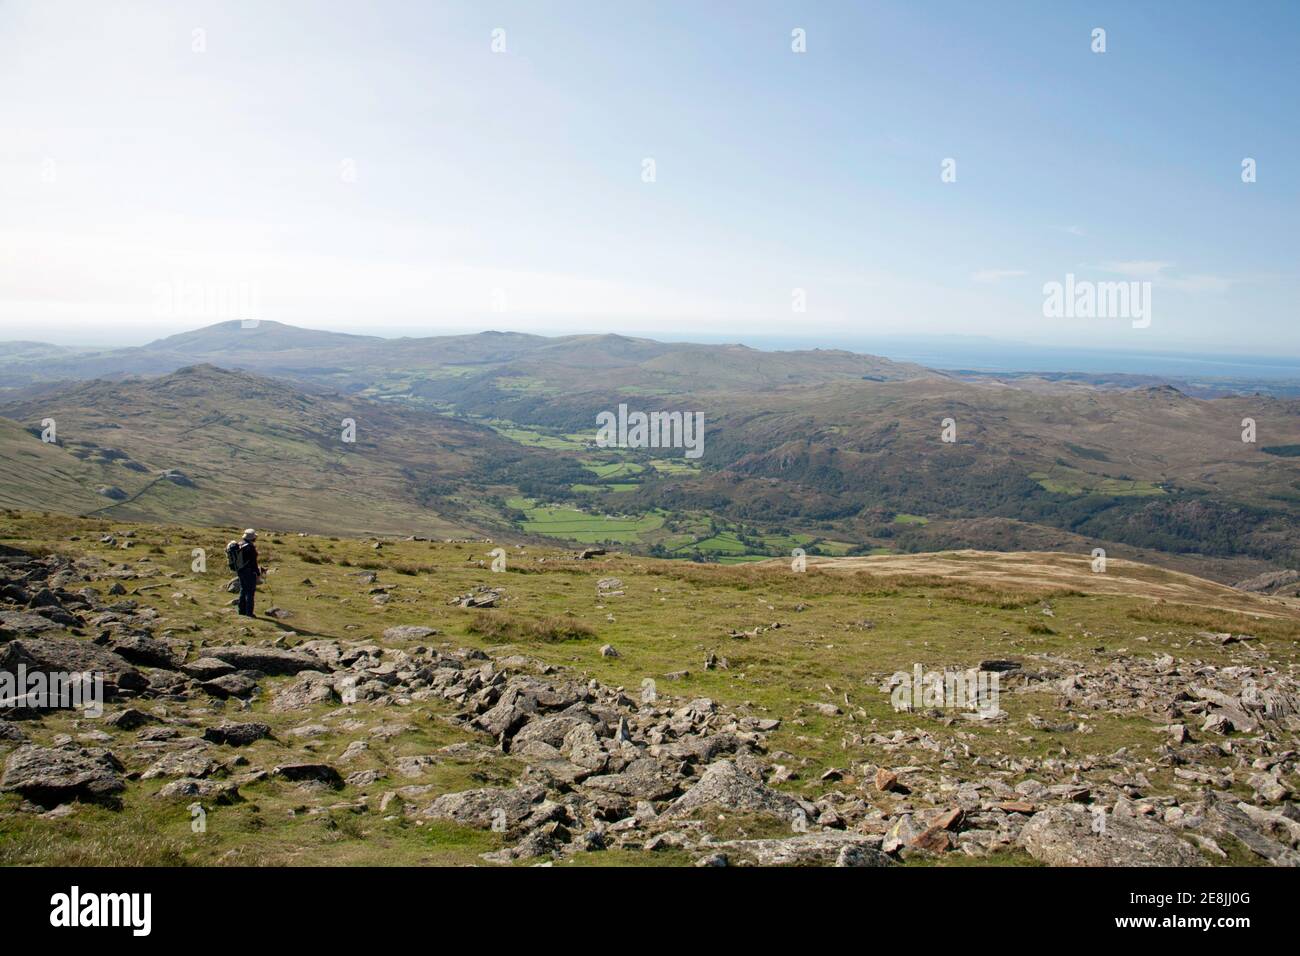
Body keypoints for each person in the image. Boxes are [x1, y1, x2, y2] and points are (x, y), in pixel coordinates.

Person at [235, 529, 262, 617]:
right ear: (252, 538)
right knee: (250, 592)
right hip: (249, 572)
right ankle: (249, 613)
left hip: (240, 571)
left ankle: (241, 611)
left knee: (243, 590)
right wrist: (257, 573)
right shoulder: (250, 547)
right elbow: (253, 562)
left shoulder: (240, 544)